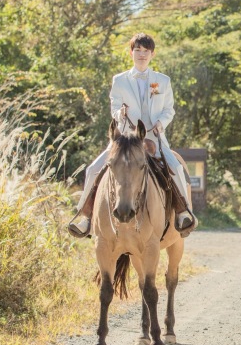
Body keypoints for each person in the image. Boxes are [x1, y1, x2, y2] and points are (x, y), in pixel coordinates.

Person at [68, 33, 195, 238]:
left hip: (154, 138)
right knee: (92, 169)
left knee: (177, 168)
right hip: (127, 139)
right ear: (131, 53)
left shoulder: (163, 80)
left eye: (146, 51)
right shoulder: (119, 80)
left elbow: (169, 110)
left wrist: (160, 125)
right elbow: (114, 108)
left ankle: (184, 213)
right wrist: (121, 114)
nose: (142, 55)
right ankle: (85, 218)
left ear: (152, 54)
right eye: (138, 50)